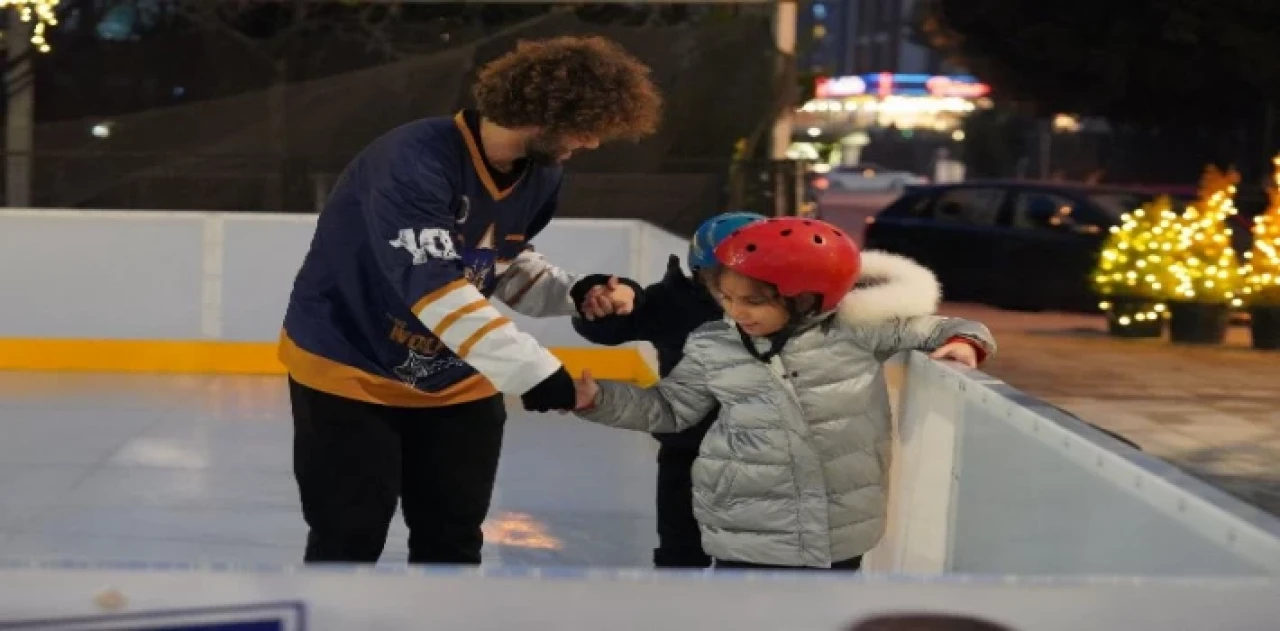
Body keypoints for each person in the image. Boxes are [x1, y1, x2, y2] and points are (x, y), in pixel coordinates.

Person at [279, 36, 663, 565]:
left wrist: (575, 291)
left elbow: (494, 264)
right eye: (586, 127)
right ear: (542, 114)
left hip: (457, 380)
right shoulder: (410, 161)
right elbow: (434, 290)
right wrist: (536, 374)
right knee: (348, 538)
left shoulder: (542, 172)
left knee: (453, 542)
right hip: (349, 367)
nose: (593, 142)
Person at [570, 217, 997, 570]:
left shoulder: (858, 330)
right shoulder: (711, 342)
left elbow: (943, 326)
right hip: (743, 523)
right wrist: (600, 399)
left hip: (840, 526)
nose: (736, 312)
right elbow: (670, 408)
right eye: (727, 298)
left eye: (753, 301)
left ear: (806, 297)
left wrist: (964, 344)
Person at [569, 211, 766, 569]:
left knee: (746, 560)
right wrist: (602, 312)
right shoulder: (675, 301)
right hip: (687, 452)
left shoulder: (786, 310)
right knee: (680, 554)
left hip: (761, 462)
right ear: (700, 274)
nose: (737, 291)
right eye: (723, 278)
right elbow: (615, 329)